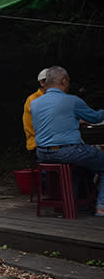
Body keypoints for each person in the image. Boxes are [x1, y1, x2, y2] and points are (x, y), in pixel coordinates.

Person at [31, 66, 104, 217]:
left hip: (43, 154)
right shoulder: (71, 101)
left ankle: (77, 203)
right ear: (64, 81)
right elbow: (96, 118)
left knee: (79, 166)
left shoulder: (35, 103)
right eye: (68, 81)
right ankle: (101, 207)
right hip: (68, 151)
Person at [22, 68, 49, 160]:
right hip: (38, 145)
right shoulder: (33, 99)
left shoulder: (53, 98)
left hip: (49, 144)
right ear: (42, 82)